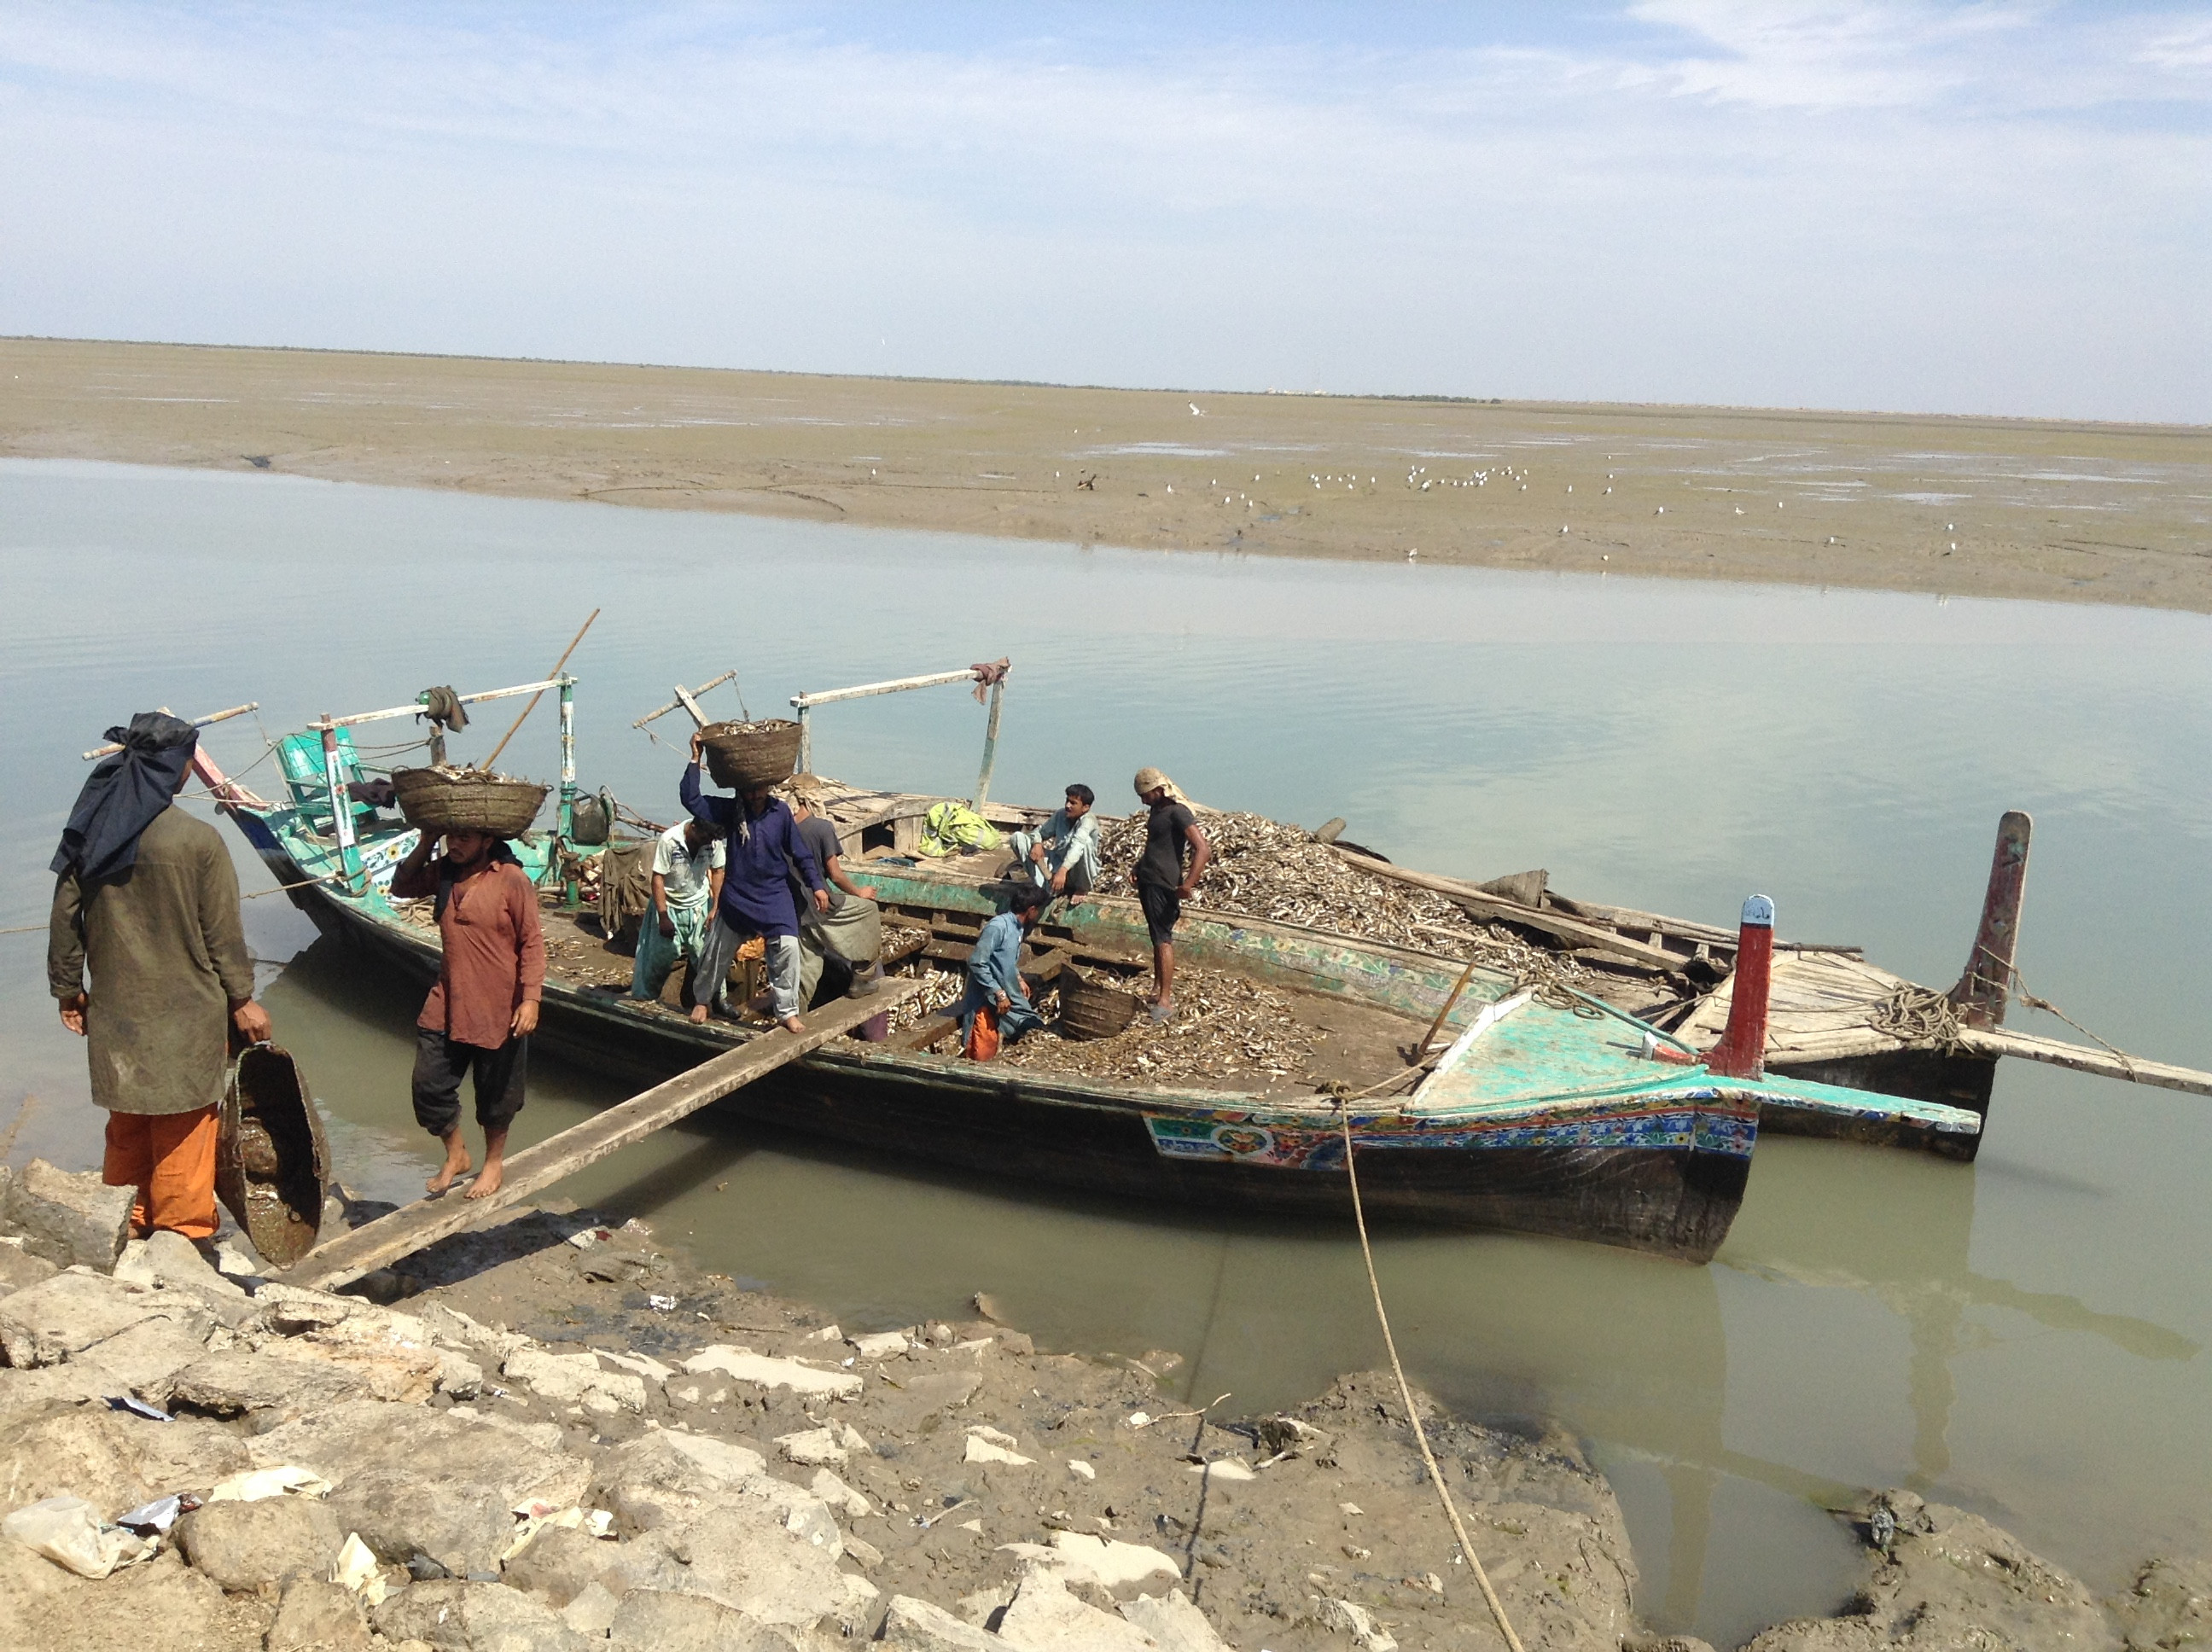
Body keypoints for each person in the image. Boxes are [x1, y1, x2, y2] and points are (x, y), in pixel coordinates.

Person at [48, 713, 272, 1246]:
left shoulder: (90, 831)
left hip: (116, 1014)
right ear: (180, 773)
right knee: (185, 1128)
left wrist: (67, 990)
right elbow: (222, 934)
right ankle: (183, 1236)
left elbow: (64, 918)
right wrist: (243, 998)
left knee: (126, 1123)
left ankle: (125, 1221)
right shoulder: (198, 842)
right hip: (187, 1014)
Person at [389, 825, 544, 1200]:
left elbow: (532, 941)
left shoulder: (511, 879)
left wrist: (531, 999)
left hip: (499, 1007)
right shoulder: (444, 872)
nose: (454, 845)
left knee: (497, 1095)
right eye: (450, 837)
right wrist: (426, 841)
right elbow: (401, 886)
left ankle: (493, 1162)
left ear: (487, 841)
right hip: (446, 1000)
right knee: (428, 1087)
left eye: (465, 838)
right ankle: (456, 1153)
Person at [682, 732, 826, 1034]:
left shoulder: (781, 813)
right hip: (737, 896)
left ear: (768, 787)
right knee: (715, 952)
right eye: (749, 791)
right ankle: (703, 1000)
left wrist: (818, 886)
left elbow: (800, 853)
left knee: (787, 949)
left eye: (759, 789)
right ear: (741, 790)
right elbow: (691, 799)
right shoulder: (731, 812)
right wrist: (695, 759)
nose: (755, 795)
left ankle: (787, 1012)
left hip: (775, 895)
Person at [785, 789, 882, 1006]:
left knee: (805, 970)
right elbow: (835, 874)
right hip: (822, 904)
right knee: (868, 910)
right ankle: (862, 978)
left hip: (794, 909)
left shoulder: (782, 829)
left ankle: (796, 1013)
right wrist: (859, 892)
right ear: (809, 800)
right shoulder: (822, 827)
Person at [1131, 766, 1211, 1022]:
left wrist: (1188, 883)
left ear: (1158, 790)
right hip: (1149, 880)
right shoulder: (1157, 811)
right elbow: (1154, 845)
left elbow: (1203, 849)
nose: (1142, 800)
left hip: (1165, 884)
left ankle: (1165, 1000)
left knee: (1164, 939)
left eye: (1145, 795)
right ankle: (1157, 988)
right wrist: (1138, 867)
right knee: (1156, 936)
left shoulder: (1178, 812)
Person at [630, 817, 726, 1022]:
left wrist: (716, 907)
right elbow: (658, 877)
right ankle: (643, 1000)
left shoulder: (713, 842)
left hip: (699, 905)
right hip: (669, 903)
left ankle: (718, 999)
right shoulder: (669, 840)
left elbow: (718, 871)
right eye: (704, 837)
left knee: (707, 954)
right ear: (693, 828)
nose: (707, 842)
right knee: (657, 955)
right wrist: (663, 916)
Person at [958, 881, 1051, 1055]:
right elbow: (977, 962)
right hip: (986, 999)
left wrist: (1018, 978)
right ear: (1031, 910)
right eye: (1038, 910)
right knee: (981, 1051)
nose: (1038, 914)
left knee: (1034, 1027)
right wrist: (999, 993)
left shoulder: (1018, 929)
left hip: (1009, 993)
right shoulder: (997, 927)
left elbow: (1005, 960)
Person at [1006, 783, 1100, 899]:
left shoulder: (1088, 820)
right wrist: (1037, 843)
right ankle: (1047, 888)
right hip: (1057, 864)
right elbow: (1039, 832)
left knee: (1086, 844)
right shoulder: (1060, 815)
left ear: (1085, 807)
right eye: (1067, 801)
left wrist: (1063, 871)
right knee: (1018, 838)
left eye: (1073, 803)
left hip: (1077, 872)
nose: (1067, 805)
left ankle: (1081, 889)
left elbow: (1078, 845)